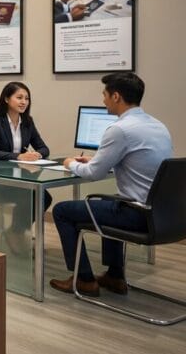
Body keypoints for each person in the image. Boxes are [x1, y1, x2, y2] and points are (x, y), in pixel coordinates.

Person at [50, 72, 173, 297]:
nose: (103, 100)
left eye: (104, 95)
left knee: (62, 211)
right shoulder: (158, 126)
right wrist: (98, 161)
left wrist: (70, 163)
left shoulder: (120, 129)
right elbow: (138, 162)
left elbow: (94, 174)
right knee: (106, 203)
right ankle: (115, 276)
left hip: (137, 215)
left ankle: (84, 279)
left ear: (116, 96)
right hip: (163, 215)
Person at [0, 81, 53, 253]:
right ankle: (16, 232)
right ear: (7, 99)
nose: (24, 102)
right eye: (19, 97)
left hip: (20, 174)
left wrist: (38, 154)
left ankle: (16, 230)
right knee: (27, 195)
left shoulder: (27, 122)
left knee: (44, 196)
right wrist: (19, 156)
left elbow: (44, 148)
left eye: (27, 98)